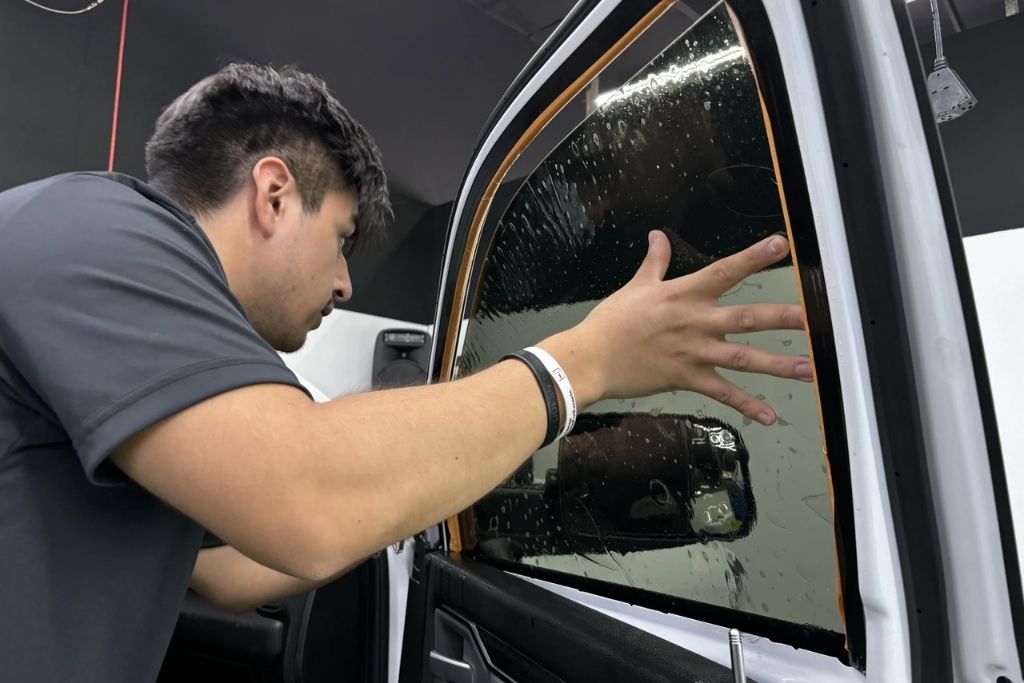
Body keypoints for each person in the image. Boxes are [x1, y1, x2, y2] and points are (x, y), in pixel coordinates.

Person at [0, 63, 811, 682]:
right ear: (275, 195)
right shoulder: (91, 227)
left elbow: (231, 568)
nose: (348, 282)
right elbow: (306, 498)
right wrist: (583, 363)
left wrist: (453, 493)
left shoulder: (156, 365)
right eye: (345, 237)